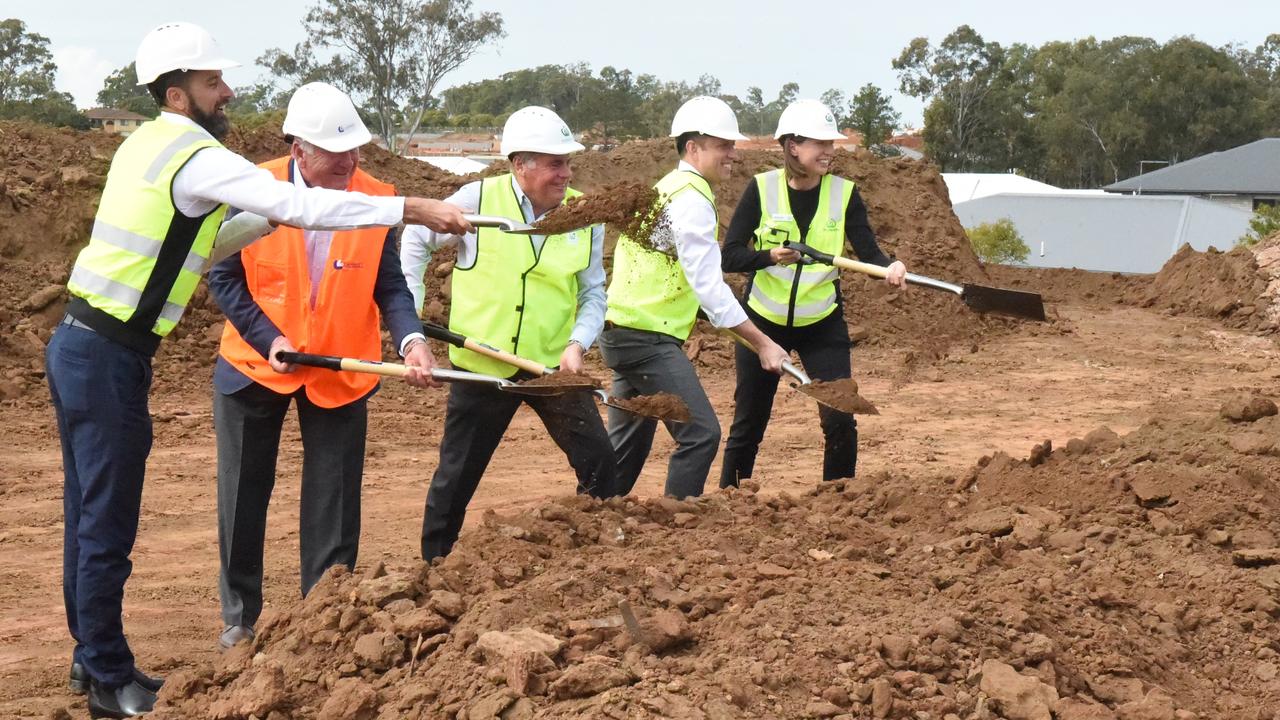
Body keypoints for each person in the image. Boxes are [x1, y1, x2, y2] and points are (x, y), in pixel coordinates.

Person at [45, 23, 467, 718]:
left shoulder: (146, 142)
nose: (228, 91)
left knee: (86, 514)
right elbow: (295, 206)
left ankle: (96, 661)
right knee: (105, 525)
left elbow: (209, 237)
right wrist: (412, 207)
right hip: (107, 356)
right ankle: (107, 680)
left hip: (87, 345)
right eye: (214, 83)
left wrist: (272, 227)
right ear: (178, 93)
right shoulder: (194, 150)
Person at [206, 82, 439, 653]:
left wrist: (409, 338)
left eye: (355, 150)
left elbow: (390, 285)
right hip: (255, 364)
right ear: (298, 149)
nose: (350, 162)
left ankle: (324, 612)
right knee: (243, 495)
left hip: (342, 365)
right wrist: (268, 338)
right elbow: (222, 276)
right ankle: (239, 617)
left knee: (334, 499)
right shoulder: (250, 188)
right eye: (336, 153)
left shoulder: (377, 198)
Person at [401, 106, 618, 561]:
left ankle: (597, 560)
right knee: (456, 477)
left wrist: (578, 344)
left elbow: (594, 292)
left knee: (600, 464)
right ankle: (433, 566)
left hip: (550, 367)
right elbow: (417, 238)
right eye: (555, 163)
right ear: (521, 165)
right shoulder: (477, 200)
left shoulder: (585, 214)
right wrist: (411, 313)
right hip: (482, 366)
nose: (566, 173)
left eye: (567, 163)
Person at [600, 96, 788, 500]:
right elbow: (708, 286)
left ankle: (593, 518)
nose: (733, 154)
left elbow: (693, 283)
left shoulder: (668, 187)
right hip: (645, 337)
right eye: (724, 145)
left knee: (627, 444)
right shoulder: (692, 197)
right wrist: (763, 343)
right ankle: (676, 527)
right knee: (700, 433)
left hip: (622, 330)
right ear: (693, 148)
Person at [719, 99, 906, 488]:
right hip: (763, 324)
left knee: (840, 416)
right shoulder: (761, 189)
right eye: (820, 143)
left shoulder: (845, 194)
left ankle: (839, 503)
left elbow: (869, 253)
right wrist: (769, 256)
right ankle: (729, 501)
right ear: (793, 146)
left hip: (822, 324)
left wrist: (890, 266)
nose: (829, 151)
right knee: (749, 423)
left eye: (831, 144)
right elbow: (731, 256)